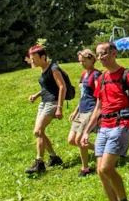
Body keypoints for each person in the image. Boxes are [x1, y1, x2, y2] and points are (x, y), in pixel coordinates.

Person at [80, 42, 129, 201]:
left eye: (103, 54)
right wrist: (86, 131)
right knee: (100, 171)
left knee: (107, 168)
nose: (100, 57)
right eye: (98, 54)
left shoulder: (128, 75)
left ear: (113, 53)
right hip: (104, 125)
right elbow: (99, 106)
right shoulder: (101, 78)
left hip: (121, 124)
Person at [24, 45, 66, 173]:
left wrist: (59, 107)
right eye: (31, 58)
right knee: (38, 132)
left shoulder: (54, 69)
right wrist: (36, 95)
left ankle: (39, 162)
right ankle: (54, 157)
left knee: (38, 131)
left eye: (34, 58)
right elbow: (47, 87)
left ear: (43, 57)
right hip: (44, 102)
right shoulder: (43, 69)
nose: (32, 61)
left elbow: (62, 87)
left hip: (52, 103)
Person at [67, 49, 101, 177]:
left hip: (90, 110)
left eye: (84, 61)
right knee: (71, 140)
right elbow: (83, 95)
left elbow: (99, 94)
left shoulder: (96, 75)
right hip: (81, 109)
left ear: (92, 59)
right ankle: (100, 149)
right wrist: (75, 111)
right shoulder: (83, 75)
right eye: (80, 62)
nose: (82, 64)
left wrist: (97, 111)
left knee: (79, 140)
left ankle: (85, 168)